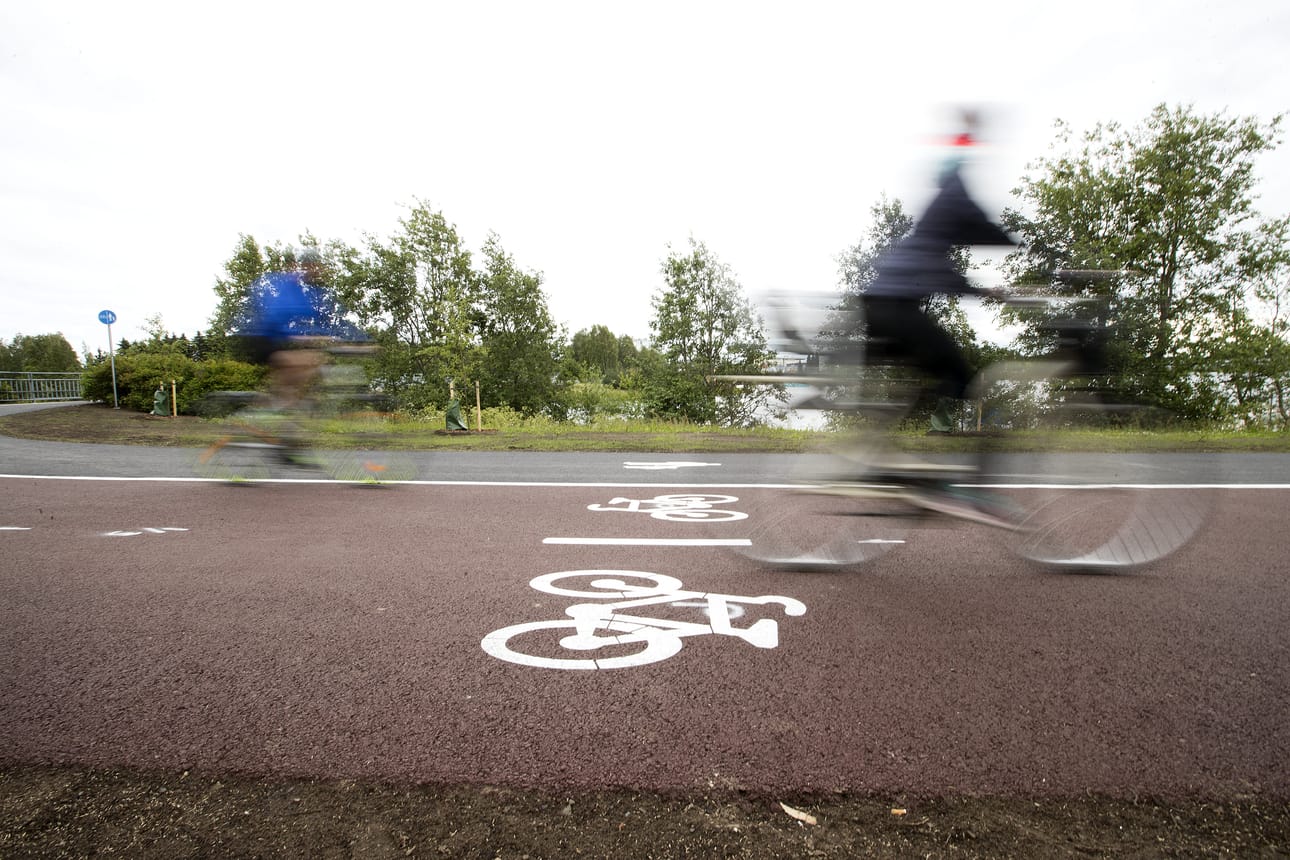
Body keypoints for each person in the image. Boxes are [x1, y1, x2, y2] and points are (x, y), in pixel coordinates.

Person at [861, 115, 1019, 526]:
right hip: (896, 308)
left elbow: (943, 265)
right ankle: (944, 479)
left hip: (883, 306)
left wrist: (981, 290)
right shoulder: (954, 195)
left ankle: (891, 459)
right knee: (962, 378)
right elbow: (982, 229)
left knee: (927, 379)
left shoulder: (940, 207)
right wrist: (1030, 247)